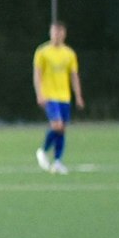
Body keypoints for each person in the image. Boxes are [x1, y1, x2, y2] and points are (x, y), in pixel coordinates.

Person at [33, 22, 83, 174]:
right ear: (50, 33)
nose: (57, 35)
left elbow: (74, 75)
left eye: (60, 32)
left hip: (64, 96)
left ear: (64, 34)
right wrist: (39, 93)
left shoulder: (69, 53)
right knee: (57, 125)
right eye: (54, 32)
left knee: (62, 129)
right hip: (49, 95)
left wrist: (78, 95)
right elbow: (37, 74)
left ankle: (57, 162)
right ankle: (43, 150)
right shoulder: (42, 52)